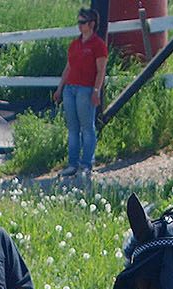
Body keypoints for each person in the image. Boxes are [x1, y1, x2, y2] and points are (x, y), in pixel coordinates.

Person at [53, 8, 108, 180]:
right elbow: (68, 67)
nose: (80, 25)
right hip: (71, 88)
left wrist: (96, 91)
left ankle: (86, 164)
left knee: (87, 127)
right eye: (79, 22)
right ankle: (72, 164)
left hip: (86, 89)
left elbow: (101, 71)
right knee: (73, 128)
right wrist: (60, 87)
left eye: (83, 22)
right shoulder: (74, 44)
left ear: (91, 24)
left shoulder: (98, 45)